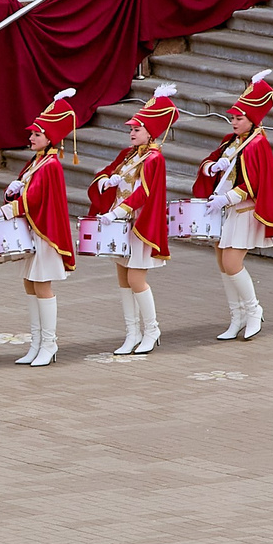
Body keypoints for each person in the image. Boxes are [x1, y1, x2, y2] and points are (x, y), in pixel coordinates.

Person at [194, 71, 273, 342]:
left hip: (244, 211)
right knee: (223, 265)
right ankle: (237, 316)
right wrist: (212, 167)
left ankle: (254, 310)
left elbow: (254, 183)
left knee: (232, 263)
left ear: (252, 119)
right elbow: (209, 162)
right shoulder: (233, 141)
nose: (233, 121)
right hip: (227, 213)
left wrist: (226, 197)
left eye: (239, 118)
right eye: (232, 117)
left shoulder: (257, 144)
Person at [88, 86, 178, 356]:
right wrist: (107, 181)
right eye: (131, 129)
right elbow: (111, 174)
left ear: (151, 132)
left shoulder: (154, 159)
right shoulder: (130, 155)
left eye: (136, 129)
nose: (131, 132)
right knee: (124, 280)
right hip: (121, 226)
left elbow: (144, 192)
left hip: (138, 224)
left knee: (137, 279)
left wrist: (117, 211)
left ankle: (151, 330)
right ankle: (132, 333)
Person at [0, 90, 79, 368]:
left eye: (37, 134)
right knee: (30, 285)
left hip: (45, 233)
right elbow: (25, 192)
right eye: (32, 134)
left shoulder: (51, 165)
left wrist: (4, 210)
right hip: (32, 231)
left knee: (42, 287)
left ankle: (50, 343)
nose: (31, 138)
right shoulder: (36, 161)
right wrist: (12, 191)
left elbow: (35, 200)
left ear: (50, 138)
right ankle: (36, 343)